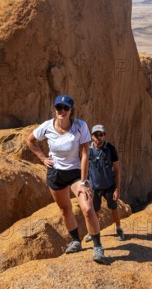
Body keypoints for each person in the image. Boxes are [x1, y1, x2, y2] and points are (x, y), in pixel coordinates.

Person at [26, 95, 105, 263]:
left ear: (71, 110)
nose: (62, 111)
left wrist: (84, 181)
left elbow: (85, 154)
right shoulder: (47, 126)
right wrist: (42, 158)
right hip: (56, 174)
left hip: (76, 173)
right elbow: (30, 141)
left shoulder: (80, 126)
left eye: (65, 108)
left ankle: (97, 246)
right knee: (65, 209)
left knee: (88, 208)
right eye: (58, 108)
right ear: (55, 109)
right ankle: (76, 241)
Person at [84, 124, 125, 242]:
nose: (98, 137)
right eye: (96, 135)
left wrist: (117, 189)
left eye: (101, 135)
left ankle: (118, 229)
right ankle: (92, 232)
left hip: (109, 185)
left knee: (113, 207)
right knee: (94, 210)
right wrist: (84, 185)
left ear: (104, 136)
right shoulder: (88, 150)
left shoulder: (110, 149)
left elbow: (117, 169)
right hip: (94, 187)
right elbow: (84, 169)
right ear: (92, 136)